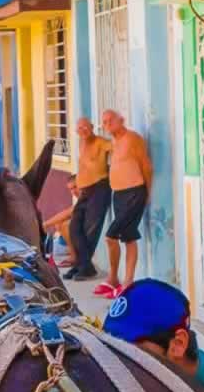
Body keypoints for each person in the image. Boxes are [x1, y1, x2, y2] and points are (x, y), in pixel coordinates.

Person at [97, 110, 150, 298]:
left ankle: (117, 279)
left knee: (110, 236)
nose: (107, 124)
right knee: (128, 238)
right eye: (104, 122)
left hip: (134, 192)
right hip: (118, 195)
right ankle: (123, 282)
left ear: (122, 120)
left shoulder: (132, 138)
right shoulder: (113, 142)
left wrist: (147, 194)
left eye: (111, 120)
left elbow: (146, 166)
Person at [67, 117, 113, 281]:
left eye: (86, 127)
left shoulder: (100, 142)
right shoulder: (81, 143)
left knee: (90, 230)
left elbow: (116, 147)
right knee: (74, 228)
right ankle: (83, 265)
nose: (83, 131)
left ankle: (84, 267)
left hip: (99, 189)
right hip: (85, 192)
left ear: (92, 127)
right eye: (80, 128)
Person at [41, 181, 82, 268]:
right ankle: (73, 255)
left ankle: (75, 257)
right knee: (59, 224)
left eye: (75, 187)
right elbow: (67, 212)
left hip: (87, 229)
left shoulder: (86, 197)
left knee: (65, 225)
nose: (73, 192)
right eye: (71, 189)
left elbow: (68, 212)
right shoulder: (79, 200)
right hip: (67, 240)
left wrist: (45, 224)